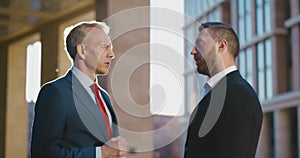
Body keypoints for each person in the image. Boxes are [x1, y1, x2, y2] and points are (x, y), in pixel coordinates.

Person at [31, 21, 127, 158]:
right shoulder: (55, 93)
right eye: (104, 47)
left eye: (110, 48)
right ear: (82, 51)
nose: (111, 54)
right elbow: (43, 153)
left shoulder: (104, 97)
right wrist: (100, 153)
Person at [184, 22, 263, 158]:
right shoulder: (221, 92)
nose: (193, 51)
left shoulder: (238, 94)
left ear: (221, 46)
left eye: (200, 44)